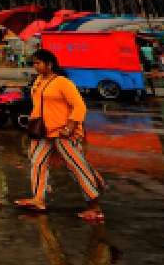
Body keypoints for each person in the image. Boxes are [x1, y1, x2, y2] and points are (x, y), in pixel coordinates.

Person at [14, 49, 106, 222]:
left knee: (77, 168)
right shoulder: (38, 81)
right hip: (43, 133)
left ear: (50, 64)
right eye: (34, 63)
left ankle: (95, 207)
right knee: (37, 163)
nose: (35, 66)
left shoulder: (63, 82)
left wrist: (71, 125)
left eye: (38, 63)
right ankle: (38, 199)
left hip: (63, 132)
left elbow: (79, 106)